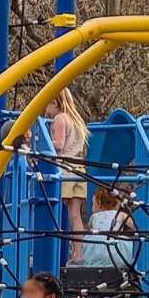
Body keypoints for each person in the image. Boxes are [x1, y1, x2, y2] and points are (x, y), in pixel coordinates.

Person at [44, 88, 89, 234]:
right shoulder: (77, 120)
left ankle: (55, 245)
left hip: (66, 169)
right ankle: (78, 254)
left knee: (55, 209)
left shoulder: (60, 118)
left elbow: (59, 144)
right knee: (76, 215)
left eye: (47, 105)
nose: (46, 110)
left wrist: (44, 143)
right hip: (80, 170)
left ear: (55, 102)